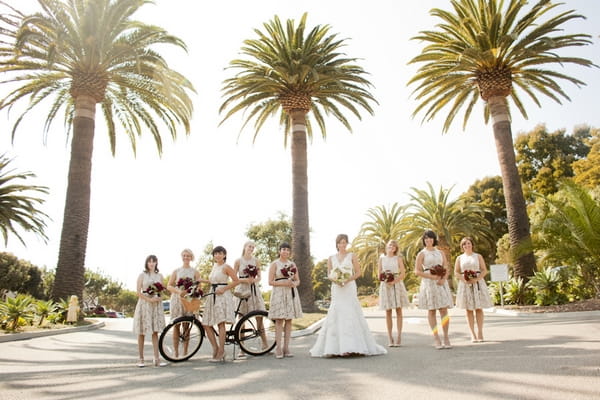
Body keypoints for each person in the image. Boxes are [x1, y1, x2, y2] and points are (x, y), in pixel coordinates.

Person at [310, 234, 386, 357]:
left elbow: (358, 272)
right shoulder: (331, 258)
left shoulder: (352, 256)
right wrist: (336, 280)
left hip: (349, 287)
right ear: (337, 244)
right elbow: (329, 274)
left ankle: (352, 347)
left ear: (347, 243)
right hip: (337, 288)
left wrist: (347, 279)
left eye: (345, 242)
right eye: (340, 242)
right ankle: (335, 347)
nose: (343, 244)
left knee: (350, 313)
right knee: (337, 313)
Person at [415, 230, 453, 350]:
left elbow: (446, 267)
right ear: (424, 240)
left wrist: (443, 279)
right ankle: (436, 338)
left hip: (441, 283)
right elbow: (417, 271)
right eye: (426, 239)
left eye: (430, 238)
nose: (428, 240)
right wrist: (431, 277)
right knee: (432, 311)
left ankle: (446, 337)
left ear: (434, 239)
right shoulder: (421, 254)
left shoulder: (440, 252)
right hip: (429, 283)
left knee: (443, 310)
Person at [202, 245, 239, 362]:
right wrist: (203, 280)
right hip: (212, 294)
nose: (217, 255)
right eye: (215, 253)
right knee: (206, 324)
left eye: (219, 253)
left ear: (224, 255)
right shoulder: (214, 266)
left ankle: (221, 351)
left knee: (220, 323)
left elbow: (236, 281)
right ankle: (215, 348)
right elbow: (213, 280)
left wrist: (224, 289)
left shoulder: (226, 266)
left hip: (222, 296)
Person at [454, 237, 493, 342]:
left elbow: (484, 270)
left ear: (472, 245)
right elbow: (456, 272)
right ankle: (472, 334)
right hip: (465, 284)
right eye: (464, 244)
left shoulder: (478, 256)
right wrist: (464, 279)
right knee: (469, 309)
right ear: (462, 247)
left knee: (479, 308)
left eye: (469, 243)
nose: (467, 245)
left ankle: (480, 332)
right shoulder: (459, 258)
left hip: (477, 283)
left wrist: (477, 279)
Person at [268, 242, 302, 359]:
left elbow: (298, 281)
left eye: (288, 250)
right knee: (279, 321)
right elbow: (270, 282)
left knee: (289, 321)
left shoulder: (292, 264)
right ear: (279, 251)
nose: (285, 252)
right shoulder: (275, 264)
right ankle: (278, 348)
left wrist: (293, 283)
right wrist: (282, 282)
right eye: (283, 249)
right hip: (278, 293)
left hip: (290, 293)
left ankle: (286, 347)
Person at [233, 240, 267, 357]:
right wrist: (245, 280)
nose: (251, 249)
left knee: (259, 316)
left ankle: (265, 344)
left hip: (254, 289)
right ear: (244, 247)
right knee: (241, 318)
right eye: (249, 246)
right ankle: (241, 348)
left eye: (253, 247)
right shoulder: (238, 261)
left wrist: (254, 280)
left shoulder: (256, 261)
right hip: (242, 288)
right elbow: (234, 278)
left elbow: (259, 277)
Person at [166, 248, 203, 358]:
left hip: (189, 299)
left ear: (191, 257)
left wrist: (194, 292)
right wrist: (179, 291)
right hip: (177, 299)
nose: (186, 257)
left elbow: (199, 286)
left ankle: (185, 353)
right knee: (176, 326)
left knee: (186, 326)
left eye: (188, 255)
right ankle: (176, 353)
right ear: (182, 257)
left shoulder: (195, 272)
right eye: (184, 255)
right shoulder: (176, 271)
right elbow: (169, 285)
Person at [132, 255, 167, 367]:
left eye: (153, 261)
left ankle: (156, 358)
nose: (151, 263)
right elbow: (138, 292)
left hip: (155, 305)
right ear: (146, 263)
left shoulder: (160, 276)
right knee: (141, 332)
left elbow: (162, 291)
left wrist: (159, 298)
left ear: (156, 263)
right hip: (144, 304)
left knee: (155, 331)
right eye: (149, 261)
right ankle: (141, 359)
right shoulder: (142, 275)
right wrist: (149, 299)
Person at [378, 240, 410, 347]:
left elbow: (403, 273)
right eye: (390, 245)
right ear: (386, 247)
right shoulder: (381, 258)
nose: (392, 247)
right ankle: (390, 337)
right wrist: (386, 280)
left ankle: (399, 336)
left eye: (394, 246)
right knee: (388, 312)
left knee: (398, 310)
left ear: (396, 248)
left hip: (397, 284)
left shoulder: (398, 258)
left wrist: (394, 281)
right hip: (386, 286)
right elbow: (379, 274)